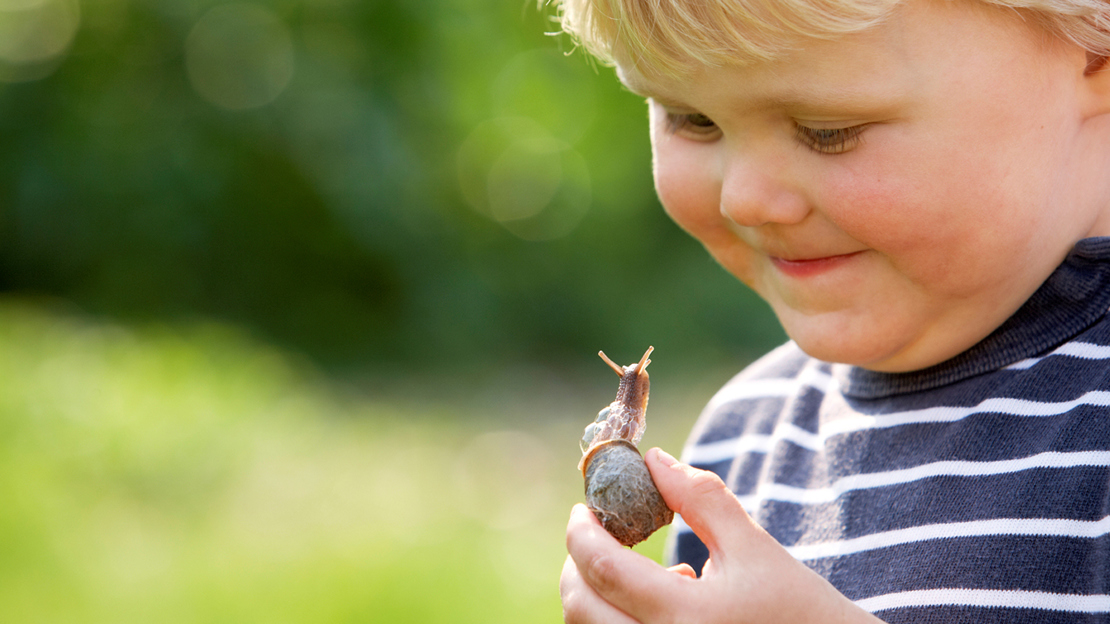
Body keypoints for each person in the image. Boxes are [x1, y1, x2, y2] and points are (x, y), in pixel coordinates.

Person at [553, 0, 1110, 621]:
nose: (746, 198)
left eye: (827, 130)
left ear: (1094, 49)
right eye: (693, 119)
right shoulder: (736, 443)